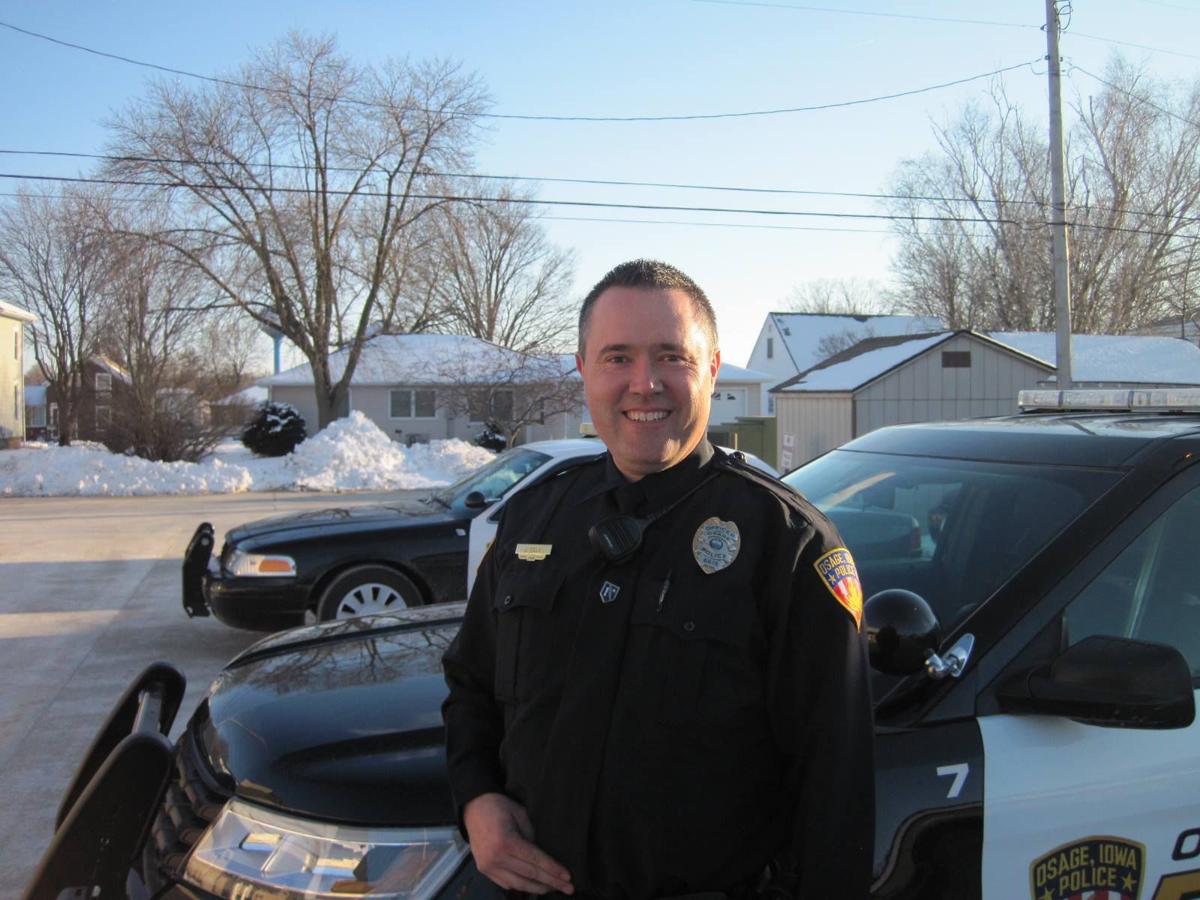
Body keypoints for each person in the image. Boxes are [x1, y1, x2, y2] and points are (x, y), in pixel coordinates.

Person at [442, 259, 875, 899]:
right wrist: (476, 796)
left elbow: (835, 792)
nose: (644, 384)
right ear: (584, 369)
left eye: (672, 357)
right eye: (617, 357)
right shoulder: (535, 517)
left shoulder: (787, 545)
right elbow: (471, 684)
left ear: (712, 369)